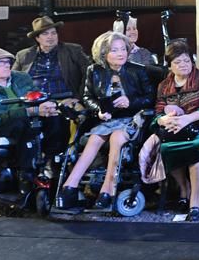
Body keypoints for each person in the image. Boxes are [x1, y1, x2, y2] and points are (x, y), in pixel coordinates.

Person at [55, 31, 154, 211]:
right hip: (107, 120)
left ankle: (107, 189)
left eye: (123, 49)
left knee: (117, 138)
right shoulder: (94, 71)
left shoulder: (138, 70)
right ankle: (69, 187)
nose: (121, 53)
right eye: (114, 50)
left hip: (133, 118)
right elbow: (87, 97)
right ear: (104, 54)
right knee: (94, 139)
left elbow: (150, 98)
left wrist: (131, 101)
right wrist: (99, 111)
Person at [137, 40, 199, 222]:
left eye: (186, 60)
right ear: (170, 66)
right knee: (166, 146)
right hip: (174, 128)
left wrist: (187, 119)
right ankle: (184, 189)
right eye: (177, 62)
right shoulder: (164, 85)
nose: (183, 65)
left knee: (195, 147)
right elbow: (157, 115)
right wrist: (163, 119)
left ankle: (195, 200)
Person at [14, 15, 90, 155]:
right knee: (16, 119)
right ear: (37, 38)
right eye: (45, 34)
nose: (51, 37)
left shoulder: (73, 50)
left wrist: (78, 98)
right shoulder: (23, 55)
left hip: (64, 99)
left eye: (53, 33)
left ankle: (54, 158)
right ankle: (28, 160)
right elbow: (12, 80)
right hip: (33, 102)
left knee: (57, 118)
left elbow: (90, 74)